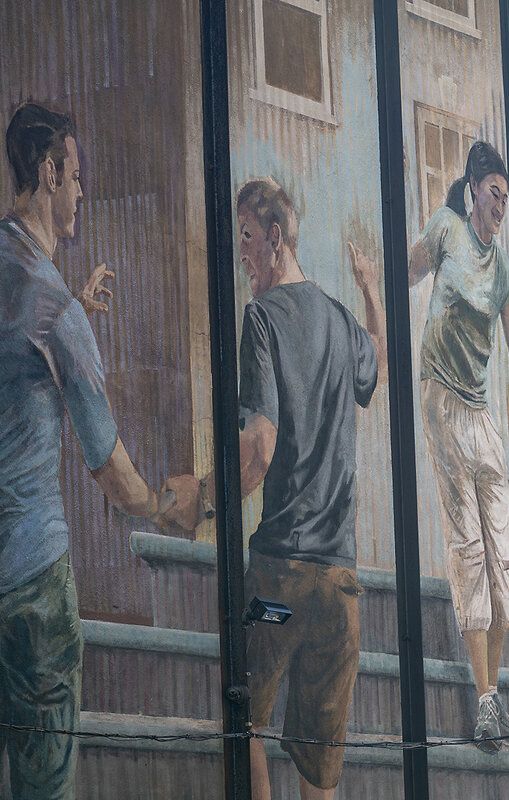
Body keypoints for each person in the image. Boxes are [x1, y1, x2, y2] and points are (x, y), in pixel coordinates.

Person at [0, 102, 197, 800]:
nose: (82, 192)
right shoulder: (56, 309)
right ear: (49, 173)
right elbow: (112, 472)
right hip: (31, 583)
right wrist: (169, 506)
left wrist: (68, 325)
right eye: (76, 176)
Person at [189, 177, 384, 800]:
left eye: (247, 237)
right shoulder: (342, 320)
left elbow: (259, 448)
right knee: (319, 762)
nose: (241, 253)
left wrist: (203, 501)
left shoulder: (262, 318)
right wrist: (371, 291)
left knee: (241, 714)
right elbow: (379, 362)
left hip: (278, 585)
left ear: (275, 238)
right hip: (339, 591)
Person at [408, 141, 509, 749]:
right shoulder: (447, 230)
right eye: (494, 193)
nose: (501, 205)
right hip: (441, 398)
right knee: (470, 548)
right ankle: (482, 702)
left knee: (503, 556)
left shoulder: (502, 269)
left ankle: (493, 695)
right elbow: (407, 270)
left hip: (479, 411)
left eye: (507, 198)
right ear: (474, 189)